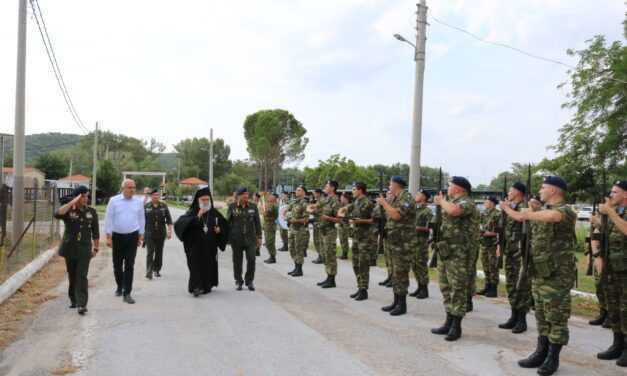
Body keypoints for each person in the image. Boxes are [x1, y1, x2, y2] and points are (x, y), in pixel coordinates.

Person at [500, 176, 576, 376]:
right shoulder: (541, 211)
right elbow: (520, 217)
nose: (540, 191)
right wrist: (509, 209)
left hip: (558, 275)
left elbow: (552, 217)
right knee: (541, 315)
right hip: (539, 271)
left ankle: (553, 357)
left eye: (543, 188)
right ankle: (540, 351)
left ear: (553, 191)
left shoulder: (565, 211)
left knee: (556, 316)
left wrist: (529, 213)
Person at [430, 176, 479, 341]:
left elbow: (454, 211)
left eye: (450, 186)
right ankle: (448, 321)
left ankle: (456, 326)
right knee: (445, 286)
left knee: (457, 288)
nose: (447, 188)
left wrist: (441, 201)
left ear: (458, 189)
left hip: (460, 253)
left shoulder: (467, 202)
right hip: (447, 251)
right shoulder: (451, 202)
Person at [595, 180, 627, 367]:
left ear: (625, 194)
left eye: (615, 192)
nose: (611, 195)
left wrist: (610, 213)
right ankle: (617, 343)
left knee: (626, 309)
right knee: (614, 307)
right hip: (612, 268)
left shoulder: (617, 213)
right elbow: (606, 235)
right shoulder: (616, 213)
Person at [174, 187, 228, 297]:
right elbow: (180, 224)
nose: (205, 202)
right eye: (203, 199)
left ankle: (206, 285)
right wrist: (197, 216)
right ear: (198, 200)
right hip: (194, 246)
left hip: (210, 247)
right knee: (195, 266)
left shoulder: (214, 213)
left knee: (208, 265)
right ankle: (196, 287)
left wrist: (220, 231)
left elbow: (225, 226)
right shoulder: (192, 212)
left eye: (207, 199)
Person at [55, 186, 99, 315]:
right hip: (70, 248)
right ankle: (73, 299)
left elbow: (95, 232)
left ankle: (82, 304)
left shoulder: (91, 212)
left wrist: (95, 247)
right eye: (83, 196)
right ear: (77, 197)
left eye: (87, 196)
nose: (86, 199)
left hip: (85, 249)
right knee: (72, 275)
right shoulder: (69, 211)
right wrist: (72, 202)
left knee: (82, 275)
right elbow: (57, 214)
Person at [377, 176, 416, 316]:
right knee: (394, 273)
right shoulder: (395, 198)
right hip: (394, 241)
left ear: (396, 185)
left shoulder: (406, 198)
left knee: (401, 274)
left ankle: (402, 305)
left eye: (390, 183)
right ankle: (396, 301)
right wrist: (385, 203)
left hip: (403, 243)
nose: (389, 186)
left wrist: (384, 203)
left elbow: (396, 215)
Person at [498, 182, 532, 333]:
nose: (509, 193)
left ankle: (522, 319)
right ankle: (513, 315)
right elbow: (504, 229)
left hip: (521, 253)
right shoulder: (511, 207)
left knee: (521, 286)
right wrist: (501, 246)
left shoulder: (525, 207)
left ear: (518, 192)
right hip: (510, 251)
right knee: (511, 284)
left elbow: (520, 219)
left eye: (511, 190)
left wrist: (506, 208)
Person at [105, 179, 145, 304]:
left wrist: (141, 235)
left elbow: (141, 219)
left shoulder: (138, 202)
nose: (132, 189)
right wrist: (108, 236)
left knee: (129, 265)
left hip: (132, 236)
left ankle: (127, 292)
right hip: (117, 237)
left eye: (134, 187)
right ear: (123, 188)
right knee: (117, 265)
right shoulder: (114, 201)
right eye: (129, 187)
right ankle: (119, 286)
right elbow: (109, 218)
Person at [226, 188, 262, 291]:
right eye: (244, 195)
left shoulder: (253, 207)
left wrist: (259, 237)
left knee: (252, 260)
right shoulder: (232, 207)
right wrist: (226, 237)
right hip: (236, 239)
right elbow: (227, 223)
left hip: (251, 239)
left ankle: (249, 281)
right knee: (237, 261)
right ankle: (238, 281)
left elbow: (257, 223)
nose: (246, 197)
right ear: (238, 196)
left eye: (247, 195)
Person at [347, 182, 374, 301]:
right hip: (356, 237)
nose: (352, 191)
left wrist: (360, 221)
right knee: (356, 263)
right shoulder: (356, 202)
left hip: (365, 237)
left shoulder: (368, 203)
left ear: (360, 190)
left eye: (354, 189)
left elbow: (373, 220)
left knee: (363, 264)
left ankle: (364, 290)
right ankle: (359, 287)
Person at [316, 181, 341, 288]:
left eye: (327, 186)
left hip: (330, 231)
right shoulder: (325, 200)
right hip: (323, 231)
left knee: (330, 255)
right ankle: (328, 277)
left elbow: (339, 219)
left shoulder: (335, 201)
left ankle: (332, 279)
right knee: (325, 255)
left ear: (332, 188)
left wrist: (328, 218)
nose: (325, 187)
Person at [144, 189, 172, 279]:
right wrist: (140, 234)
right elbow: (141, 221)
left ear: (159, 196)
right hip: (149, 232)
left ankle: (156, 269)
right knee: (150, 252)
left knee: (159, 252)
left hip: (161, 232)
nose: (156, 196)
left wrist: (169, 231)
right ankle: (149, 271)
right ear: (151, 196)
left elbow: (169, 219)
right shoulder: (146, 206)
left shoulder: (163, 206)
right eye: (154, 195)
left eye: (157, 195)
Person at [410, 189, 433, 299]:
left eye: (419, 194)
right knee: (414, 265)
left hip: (421, 242)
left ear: (424, 197)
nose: (416, 195)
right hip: (413, 241)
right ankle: (419, 287)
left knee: (421, 266)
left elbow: (430, 228)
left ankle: (424, 289)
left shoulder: (427, 211)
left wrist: (416, 228)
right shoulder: (415, 209)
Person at [477, 196, 500, 298]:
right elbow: (480, 226)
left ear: (492, 203)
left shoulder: (497, 214)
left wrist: (490, 233)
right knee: (485, 265)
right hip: (484, 243)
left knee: (493, 266)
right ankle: (487, 286)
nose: (485, 203)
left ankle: (493, 288)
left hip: (493, 244)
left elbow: (499, 231)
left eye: (487, 201)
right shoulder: (484, 213)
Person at [287, 186, 309, 277]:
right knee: (292, 248)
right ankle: (296, 267)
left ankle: (299, 269)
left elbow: (306, 219)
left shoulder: (305, 204)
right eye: (296, 190)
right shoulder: (294, 202)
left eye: (299, 190)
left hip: (300, 230)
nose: (296, 191)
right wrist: (287, 217)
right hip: (292, 228)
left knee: (299, 249)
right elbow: (288, 212)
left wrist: (295, 221)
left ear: (304, 192)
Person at [262, 193, 279, 264]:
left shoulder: (273, 206)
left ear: (273, 199)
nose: (268, 198)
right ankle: (271, 256)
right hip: (267, 225)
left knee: (270, 242)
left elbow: (267, 213)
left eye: (270, 198)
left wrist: (263, 211)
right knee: (268, 241)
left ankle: (273, 257)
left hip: (270, 225)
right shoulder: (270, 205)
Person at [311, 189, 325, 264]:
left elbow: (315, 210)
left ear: (318, 193)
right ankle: (320, 256)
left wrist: (312, 210)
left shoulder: (322, 200)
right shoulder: (318, 200)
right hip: (317, 222)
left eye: (314, 193)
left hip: (320, 223)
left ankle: (321, 257)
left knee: (319, 240)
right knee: (317, 240)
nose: (314, 195)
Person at [338, 192, 352, 260]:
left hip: (345, 225)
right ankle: (343, 253)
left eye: (341, 197)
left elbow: (339, 214)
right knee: (342, 239)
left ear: (346, 198)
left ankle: (345, 254)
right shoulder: (343, 206)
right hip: (342, 224)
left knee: (344, 240)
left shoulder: (348, 206)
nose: (340, 199)